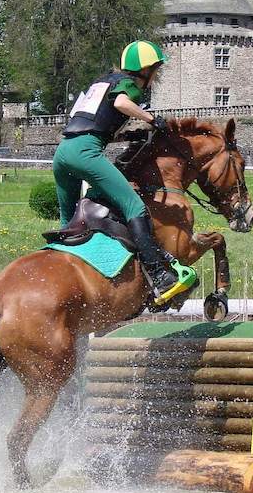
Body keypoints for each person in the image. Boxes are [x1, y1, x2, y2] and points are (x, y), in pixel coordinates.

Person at [52, 40, 194, 301]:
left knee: (68, 222)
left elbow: (92, 126)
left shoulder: (101, 82)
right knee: (135, 208)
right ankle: (159, 277)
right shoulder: (128, 86)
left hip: (63, 153)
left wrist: (131, 134)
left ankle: (60, 277)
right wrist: (151, 119)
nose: (157, 76)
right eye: (157, 70)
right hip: (85, 153)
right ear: (146, 70)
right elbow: (121, 104)